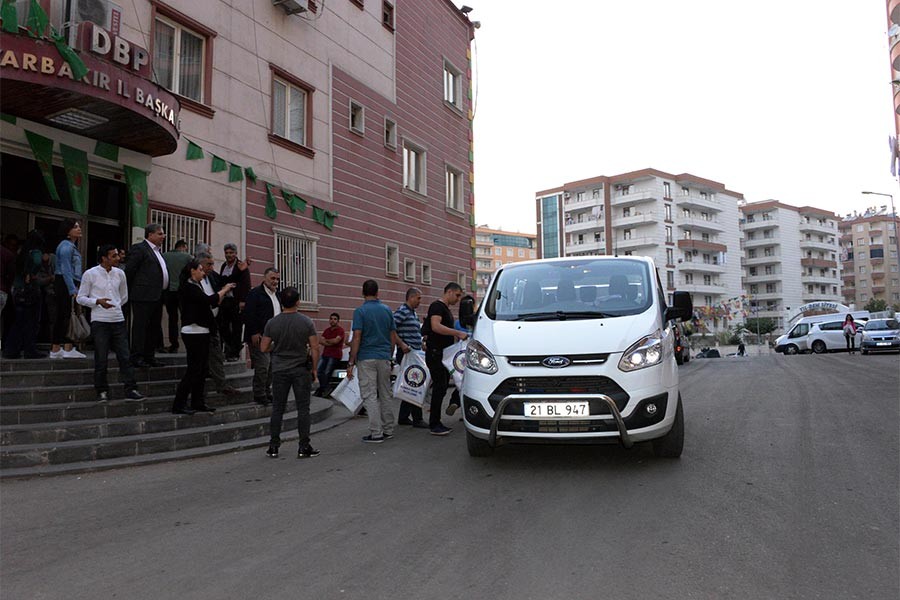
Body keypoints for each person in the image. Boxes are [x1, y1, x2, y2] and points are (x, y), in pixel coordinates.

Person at [76, 244, 145, 402]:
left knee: (125, 356)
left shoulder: (120, 273)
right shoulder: (90, 274)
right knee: (101, 357)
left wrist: (115, 306)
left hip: (118, 319)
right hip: (100, 321)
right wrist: (97, 302)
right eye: (113, 256)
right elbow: (80, 297)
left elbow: (124, 296)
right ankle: (101, 390)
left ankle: (131, 388)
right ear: (104, 258)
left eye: (117, 255)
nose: (118, 258)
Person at [347, 279, 410, 443]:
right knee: (385, 393)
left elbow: (357, 337)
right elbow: (392, 335)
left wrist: (351, 361)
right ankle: (388, 429)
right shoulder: (387, 310)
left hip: (366, 357)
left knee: (370, 395)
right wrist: (389, 356)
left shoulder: (359, 312)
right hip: (383, 357)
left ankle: (376, 433)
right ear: (377, 292)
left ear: (363, 293)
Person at [260, 286, 320, 459]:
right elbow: (315, 348)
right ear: (298, 302)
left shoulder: (272, 323)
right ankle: (303, 446)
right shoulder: (306, 322)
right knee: (303, 408)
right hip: (300, 369)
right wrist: (314, 368)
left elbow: (264, 347)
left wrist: (277, 346)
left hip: (279, 369)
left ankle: (273, 445)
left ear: (281, 302)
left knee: (278, 408)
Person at [171, 259, 235, 415]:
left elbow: (211, 304)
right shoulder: (188, 286)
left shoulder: (197, 285)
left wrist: (219, 296)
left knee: (202, 370)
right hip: (193, 332)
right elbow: (209, 300)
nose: (202, 272)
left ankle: (198, 401)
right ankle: (179, 404)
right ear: (192, 271)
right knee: (193, 369)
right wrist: (224, 290)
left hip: (203, 331)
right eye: (200, 269)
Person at [422, 282, 468, 436]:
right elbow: (435, 326)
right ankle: (434, 423)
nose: (458, 299)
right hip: (436, 354)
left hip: (441, 354)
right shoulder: (437, 307)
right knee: (440, 388)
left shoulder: (444, 309)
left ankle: (436, 421)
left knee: (441, 388)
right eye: (457, 295)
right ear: (449, 292)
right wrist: (457, 333)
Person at [124, 223, 168, 368]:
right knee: (140, 326)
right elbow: (130, 271)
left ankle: (149, 356)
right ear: (150, 235)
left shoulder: (157, 251)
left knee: (154, 327)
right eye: (160, 233)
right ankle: (136, 356)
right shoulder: (140, 249)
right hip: (142, 295)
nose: (163, 236)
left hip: (157, 295)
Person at [196, 252, 238, 397]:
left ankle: (221, 384)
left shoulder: (212, 277)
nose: (212, 267)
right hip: (198, 324)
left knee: (216, 353)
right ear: (199, 264)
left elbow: (224, 283)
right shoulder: (193, 281)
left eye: (213, 264)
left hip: (213, 321)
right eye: (209, 264)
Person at [2, 230, 48, 359]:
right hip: (30, 291)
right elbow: (38, 261)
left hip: (17, 290)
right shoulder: (36, 252)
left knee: (18, 321)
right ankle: (30, 349)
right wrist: (32, 273)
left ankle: (11, 349)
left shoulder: (21, 252)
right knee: (31, 322)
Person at [243, 267, 281, 405]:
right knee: (262, 366)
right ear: (265, 278)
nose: (275, 281)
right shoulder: (255, 293)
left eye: (277, 279)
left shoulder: (277, 295)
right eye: (272, 278)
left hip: (274, 338)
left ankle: (267, 391)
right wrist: (254, 332)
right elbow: (249, 314)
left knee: (271, 367)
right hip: (260, 337)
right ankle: (259, 394)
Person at [50, 219, 86, 359]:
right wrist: (72, 289)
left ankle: (61, 347)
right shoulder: (66, 247)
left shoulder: (70, 246)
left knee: (64, 314)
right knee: (64, 315)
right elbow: (66, 269)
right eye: (75, 227)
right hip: (64, 282)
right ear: (68, 231)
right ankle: (61, 347)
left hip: (67, 282)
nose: (79, 229)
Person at [393, 287, 428, 428]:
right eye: (418, 298)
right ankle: (417, 418)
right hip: (407, 354)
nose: (420, 301)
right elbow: (391, 328)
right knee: (416, 383)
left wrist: (421, 343)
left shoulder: (412, 313)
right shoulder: (402, 311)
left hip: (415, 353)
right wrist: (401, 344)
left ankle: (403, 417)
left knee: (411, 383)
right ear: (411, 297)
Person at [218, 243, 252, 361]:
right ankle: (230, 347)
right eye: (227, 253)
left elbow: (246, 284)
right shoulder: (224, 266)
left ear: (236, 253)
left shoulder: (241, 265)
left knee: (237, 327)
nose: (229, 255)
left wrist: (243, 301)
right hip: (225, 300)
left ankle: (234, 353)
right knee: (223, 326)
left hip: (237, 301)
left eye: (231, 253)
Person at [161, 239, 191, 353]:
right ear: (183, 246)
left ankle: (174, 344)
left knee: (172, 319)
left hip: (168, 291)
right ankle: (188, 343)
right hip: (183, 292)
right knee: (185, 318)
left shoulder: (164, 256)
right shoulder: (188, 257)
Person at [315, 312, 345, 397]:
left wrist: (327, 341)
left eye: (335, 319)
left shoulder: (340, 330)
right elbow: (320, 341)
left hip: (335, 355)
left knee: (327, 372)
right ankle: (324, 388)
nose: (332, 321)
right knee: (318, 370)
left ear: (338, 321)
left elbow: (336, 341)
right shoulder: (327, 330)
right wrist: (331, 342)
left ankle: (322, 390)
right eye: (331, 319)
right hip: (325, 354)